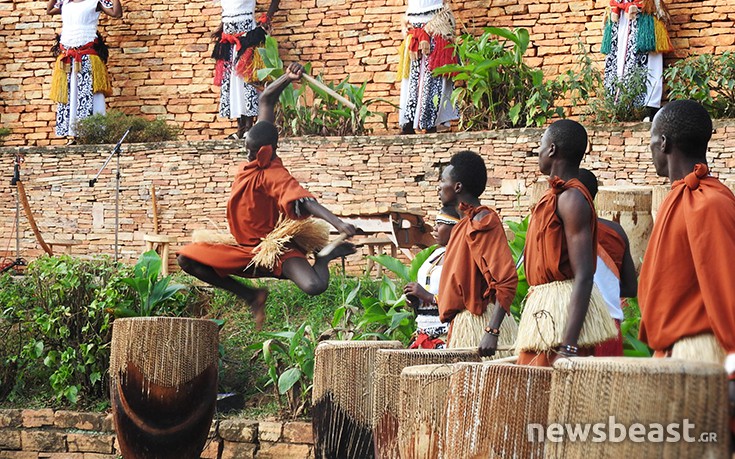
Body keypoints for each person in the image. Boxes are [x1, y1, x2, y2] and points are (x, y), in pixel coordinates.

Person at [178, 63, 357, 329]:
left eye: (251, 151)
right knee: (187, 260)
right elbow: (266, 99)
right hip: (244, 248)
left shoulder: (273, 173)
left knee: (314, 286)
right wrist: (288, 77)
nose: (247, 155)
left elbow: (305, 201)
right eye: (246, 148)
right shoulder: (259, 142)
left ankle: (323, 258)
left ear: (265, 150)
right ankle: (251, 295)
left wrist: (338, 223)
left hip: (275, 247)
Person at [637, 100, 735, 436]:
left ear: (663, 143)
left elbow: (727, 290)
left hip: (704, 357)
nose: (651, 150)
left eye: (651, 141)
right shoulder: (679, 198)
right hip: (675, 356)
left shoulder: (710, 203)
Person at [516, 120, 617, 367]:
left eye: (540, 145)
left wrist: (569, 345)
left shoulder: (572, 198)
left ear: (551, 149)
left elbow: (584, 274)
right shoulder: (557, 197)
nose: (537, 152)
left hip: (561, 323)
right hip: (543, 313)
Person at [436, 151, 518, 358]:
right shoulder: (462, 225)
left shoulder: (483, 219)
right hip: (464, 324)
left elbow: (505, 279)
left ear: (457, 187)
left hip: (483, 325)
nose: (439, 187)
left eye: (443, 181)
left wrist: (492, 330)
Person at [577, 168, 637, 357]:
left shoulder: (561, 232)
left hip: (575, 328)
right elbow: (630, 288)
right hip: (610, 326)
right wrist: (606, 290)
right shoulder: (615, 231)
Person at [47, 0, 122, 143]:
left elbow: (116, 13)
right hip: (67, 55)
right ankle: (71, 134)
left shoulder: (96, 2)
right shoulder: (65, 2)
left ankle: (91, 133)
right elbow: (49, 10)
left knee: (88, 93)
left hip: (87, 54)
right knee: (69, 94)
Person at [212, 0, 280, 139]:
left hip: (247, 35)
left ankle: (249, 127)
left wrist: (267, 18)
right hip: (229, 38)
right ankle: (240, 128)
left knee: (247, 80)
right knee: (233, 81)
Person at [600, 0, 673, 118]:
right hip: (620, 20)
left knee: (648, 63)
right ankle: (620, 106)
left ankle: (648, 107)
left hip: (643, 18)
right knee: (617, 62)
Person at [396, 0, 458, 134]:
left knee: (433, 79)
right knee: (413, 79)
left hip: (435, 25)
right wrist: (406, 23)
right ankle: (410, 121)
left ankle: (431, 122)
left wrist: (432, 27)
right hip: (413, 27)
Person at [403, 206, 459, 349]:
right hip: (422, 331)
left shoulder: (462, 257)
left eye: (440, 224)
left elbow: (464, 298)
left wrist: (428, 296)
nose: (434, 229)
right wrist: (414, 300)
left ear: (456, 228)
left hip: (448, 335)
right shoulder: (436, 253)